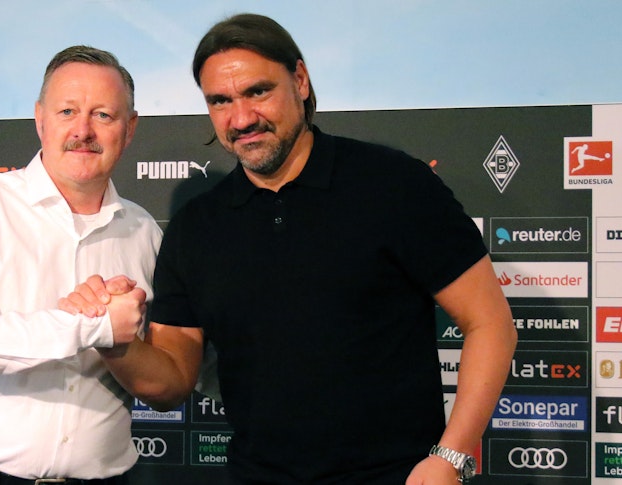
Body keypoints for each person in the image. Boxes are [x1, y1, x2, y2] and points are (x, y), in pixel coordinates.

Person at [62, 13, 517, 485]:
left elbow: (489, 323)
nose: (241, 118)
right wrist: (113, 341)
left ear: (299, 80)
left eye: (258, 91)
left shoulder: (394, 184)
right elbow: (172, 379)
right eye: (220, 101)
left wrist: (451, 457)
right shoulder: (198, 226)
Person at [0, 45, 161, 485]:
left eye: (103, 116)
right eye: (67, 110)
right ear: (40, 118)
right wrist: (95, 326)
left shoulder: (146, 233)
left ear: (129, 129)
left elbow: (168, 371)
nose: (83, 130)